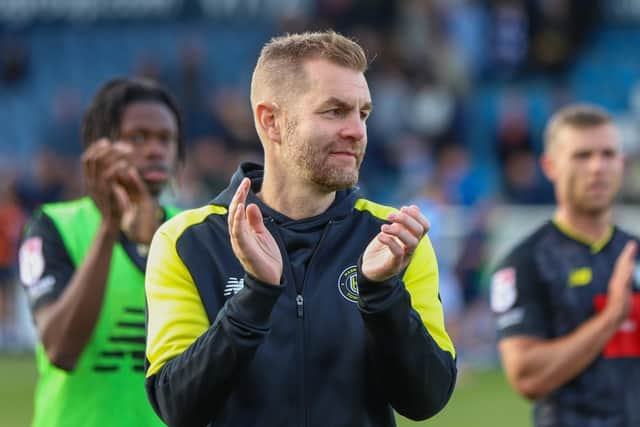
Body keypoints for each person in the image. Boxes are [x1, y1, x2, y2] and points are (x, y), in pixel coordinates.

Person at [144, 30, 457, 427]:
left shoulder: (391, 239)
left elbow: (425, 399)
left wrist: (381, 295)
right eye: (334, 111)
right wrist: (255, 296)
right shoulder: (188, 241)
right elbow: (179, 407)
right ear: (270, 121)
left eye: (363, 114)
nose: (357, 131)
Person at [18, 77, 184, 427]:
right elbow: (61, 350)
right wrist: (110, 225)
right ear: (100, 148)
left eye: (165, 139)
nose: (155, 150)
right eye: (137, 137)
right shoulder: (54, 227)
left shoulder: (191, 233)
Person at [491, 104, 640, 427]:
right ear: (550, 166)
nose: (598, 167)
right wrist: (610, 320)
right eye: (582, 156)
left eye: (608, 154)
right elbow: (527, 377)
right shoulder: (524, 263)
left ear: (622, 162)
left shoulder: (634, 251)